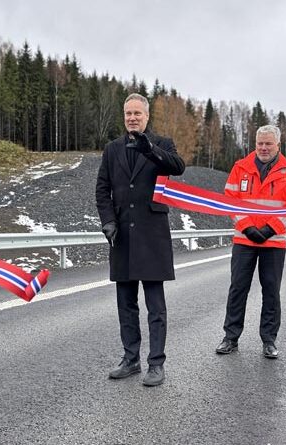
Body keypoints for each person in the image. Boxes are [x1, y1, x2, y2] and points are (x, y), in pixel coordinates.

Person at [95, 93, 185, 387]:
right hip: (121, 236)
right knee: (126, 303)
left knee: (155, 305)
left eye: (137, 113)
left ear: (147, 116)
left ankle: (156, 364)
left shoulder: (162, 144)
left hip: (152, 236)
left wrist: (150, 150)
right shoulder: (112, 149)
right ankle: (130, 359)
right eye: (128, 113)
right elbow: (102, 188)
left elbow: (177, 166)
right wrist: (108, 221)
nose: (132, 118)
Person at [215, 125, 286, 359]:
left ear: (278, 146)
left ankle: (269, 340)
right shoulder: (240, 167)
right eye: (259, 144)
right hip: (245, 239)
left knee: (271, 291)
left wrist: (269, 229)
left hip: (273, 242)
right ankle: (230, 338)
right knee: (238, 288)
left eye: (268, 144)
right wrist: (247, 227)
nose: (263, 148)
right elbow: (229, 200)